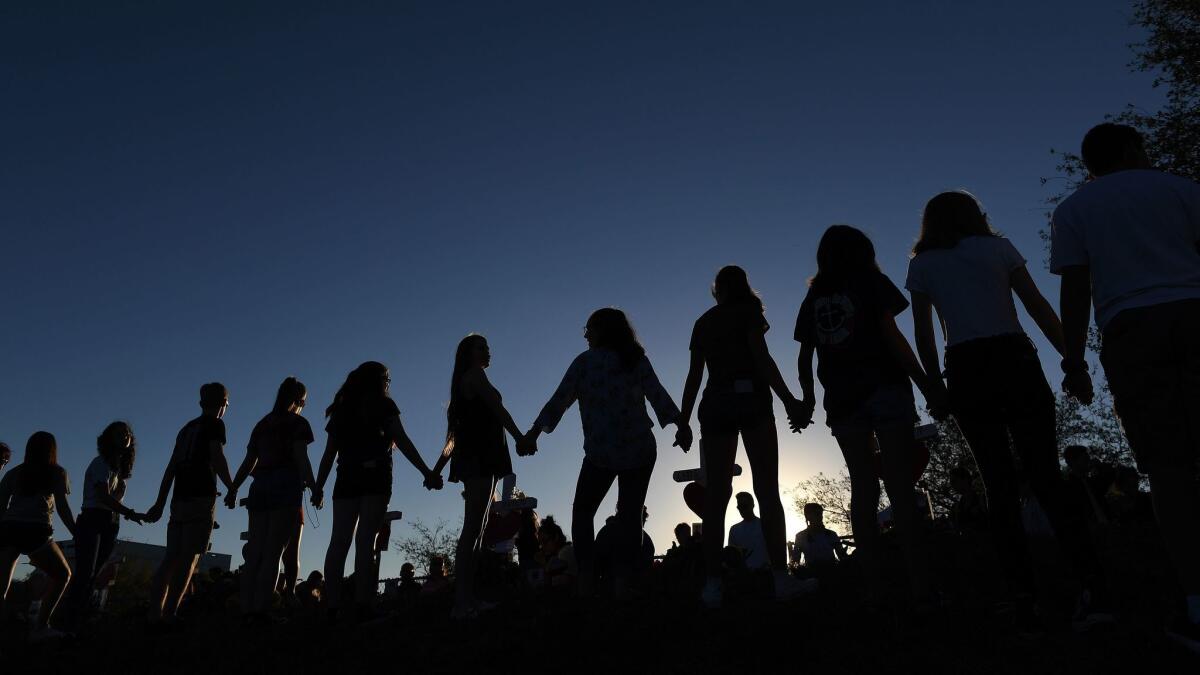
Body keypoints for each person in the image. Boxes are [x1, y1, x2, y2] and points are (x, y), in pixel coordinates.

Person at [908, 192, 1108, 626]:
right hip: (1015, 359)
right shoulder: (998, 249)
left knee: (996, 483)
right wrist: (1072, 361)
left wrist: (934, 385)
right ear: (974, 215)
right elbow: (1036, 306)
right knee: (1046, 477)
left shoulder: (923, 264)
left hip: (966, 367)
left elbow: (924, 332)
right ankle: (1094, 585)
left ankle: (1023, 594)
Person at [1051, 122, 1200, 648]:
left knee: (1167, 466)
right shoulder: (1181, 188)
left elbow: (1075, 289)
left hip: (1131, 331)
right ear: (1134, 149)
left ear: (1091, 164)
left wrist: (1073, 361)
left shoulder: (1074, 210)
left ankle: (1196, 604)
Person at [796, 226, 941, 605]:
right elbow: (891, 334)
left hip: (843, 400)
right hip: (885, 388)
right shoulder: (872, 282)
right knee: (899, 485)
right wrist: (925, 382)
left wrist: (808, 399)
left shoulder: (814, 296)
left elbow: (804, 355)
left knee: (863, 486)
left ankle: (874, 586)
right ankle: (921, 583)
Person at [524, 308, 685, 598]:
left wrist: (533, 435)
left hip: (603, 451)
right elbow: (658, 394)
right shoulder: (634, 360)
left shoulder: (585, 363)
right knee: (630, 515)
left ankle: (587, 575)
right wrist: (680, 424)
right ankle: (625, 580)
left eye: (589, 329)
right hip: (639, 448)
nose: (586, 335)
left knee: (584, 511)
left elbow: (559, 400)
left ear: (603, 330)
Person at [679, 265, 813, 608]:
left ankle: (713, 584)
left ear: (717, 289)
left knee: (717, 495)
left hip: (715, 406)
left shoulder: (703, 322)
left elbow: (695, 375)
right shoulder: (749, 312)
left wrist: (683, 420)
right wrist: (790, 401)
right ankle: (780, 578)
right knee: (767, 489)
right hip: (752, 401)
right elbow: (761, 357)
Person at [314, 362, 440, 622]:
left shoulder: (341, 410)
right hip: (376, 476)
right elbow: (402, 440)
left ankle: (332, 606)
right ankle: (362, 604)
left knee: (339, 541)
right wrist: (426, 471)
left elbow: (329, 454)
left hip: (346, 478)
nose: (388, 385)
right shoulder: (384, 406)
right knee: (365, 542)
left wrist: (318, 486)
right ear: (380, 381)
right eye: (388, 380)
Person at [429, 335, 522, 619]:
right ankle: (462, 602)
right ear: (468, 353)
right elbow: (498, 410)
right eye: (481, 346)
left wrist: (437, 468)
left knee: (478, 529)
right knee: (473, 528)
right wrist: (520, 438)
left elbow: (452, 438)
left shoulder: (465, 383)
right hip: (479, 456)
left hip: (483, 456)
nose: (487, 350)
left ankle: (468, 598)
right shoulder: (474, 376)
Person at [226, 377, 318, 623]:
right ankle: (261, 609)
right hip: (285, 486)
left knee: (256, 549)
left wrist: (234, 488)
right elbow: (301, 457)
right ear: (299, 400)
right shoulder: (298, 423)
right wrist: (314, 484)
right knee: (274, 551)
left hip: (259, 487)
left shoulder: (262, 425)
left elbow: (249, 462)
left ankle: (247, 606)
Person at [145, 383, 235, 627]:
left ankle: (154, 613)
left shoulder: (186, 429)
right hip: (201, 496)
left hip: (179, 497)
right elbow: (217, 456)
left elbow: (171, 466)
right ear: (224, 404)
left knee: (170, 557)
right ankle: (170, 613)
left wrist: (160, 502)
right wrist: (232, 486)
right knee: (189, 558)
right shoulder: (215, 425)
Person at [64, 422, 143, 628]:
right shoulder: (100, 464)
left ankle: (80, 619)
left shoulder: (118, 470)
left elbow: (113, 500)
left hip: (109, 522)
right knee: (85, 573)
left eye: (127, 433)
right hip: (93, 519)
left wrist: (121, 514)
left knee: (94, 573)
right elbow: (102, 496)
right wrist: (130, 513)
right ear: (108, 438)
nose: (125, 436)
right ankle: (67, 620)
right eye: (119, 433)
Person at [0, 432, 77, 640]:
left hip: (9, 530)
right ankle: (41, 626)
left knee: (2, 583)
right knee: (63, 575)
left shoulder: (14, 474)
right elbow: (62, 507)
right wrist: (76, 532)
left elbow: (0, 507)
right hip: (37, 531)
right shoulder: (57, 473)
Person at [793, 503, 846, 572]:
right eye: (816, 513)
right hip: (812, 575)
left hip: (831, 573)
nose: (820, 516)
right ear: (808, 516)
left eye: (820, 513)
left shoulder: (831, 534)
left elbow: (842, 556)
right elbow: (795, 561)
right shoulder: (800, 536)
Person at [727, 492, 769, 570]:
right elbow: (732, 556)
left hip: (763, 575)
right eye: (739, 507)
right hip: (742, 576)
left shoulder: (765, 525)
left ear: (752, 505)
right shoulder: (734, 529)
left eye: (745, 506)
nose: (742, 510)